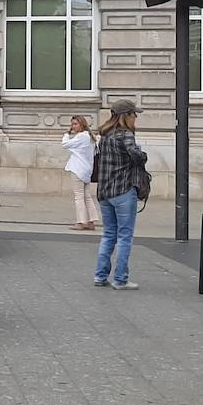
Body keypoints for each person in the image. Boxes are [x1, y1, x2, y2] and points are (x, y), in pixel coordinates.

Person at [95, 99, 147, 290]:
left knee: (109, 234)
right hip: (123, 190)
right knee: (125, 236)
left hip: (105, 191)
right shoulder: (125, 134)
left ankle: (100, 276)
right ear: (126, 115)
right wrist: (143, 154)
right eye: (134, 114)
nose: (136, 117)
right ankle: (120, 279)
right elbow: (136, 155)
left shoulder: (105, 135)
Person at [62, 115, 98, 230]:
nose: (73, 126)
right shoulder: (90, 137)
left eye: (75, 124)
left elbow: (65, 144)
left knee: (79, 196)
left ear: (82, 124)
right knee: (86, 196)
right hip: (87, 169)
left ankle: (81, 222)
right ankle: (91, 220)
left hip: (78, 168)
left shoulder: (81, 137)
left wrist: (66, 134)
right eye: (72, 124)